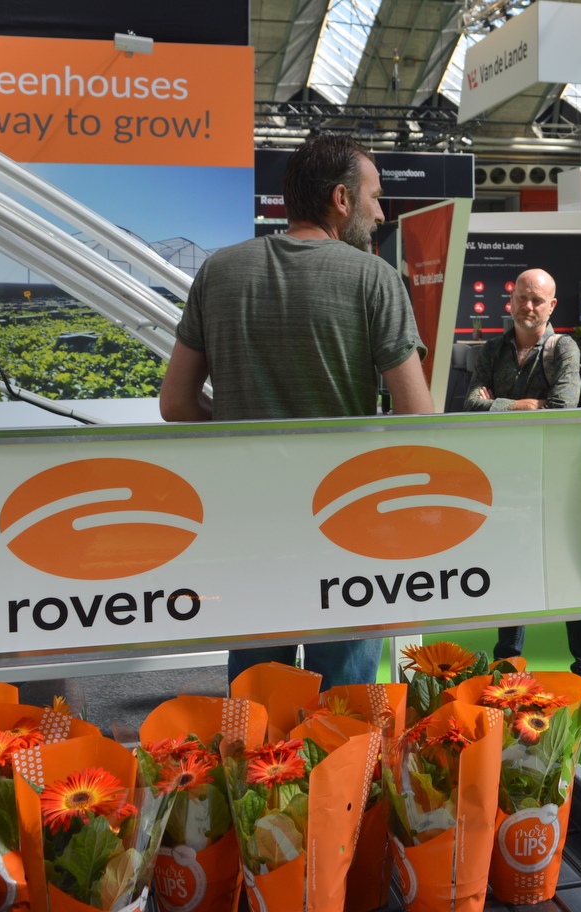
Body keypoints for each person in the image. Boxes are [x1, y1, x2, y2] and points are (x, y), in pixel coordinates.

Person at [160, 133, 433, 689]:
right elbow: (417, 417)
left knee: (259, 695)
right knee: (346, 701)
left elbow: (176, 403)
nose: (381, 214)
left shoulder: (219, 271)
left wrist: (241, 424)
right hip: (347, 518)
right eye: (376, 197)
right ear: (341, 199)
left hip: (248, 518)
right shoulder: (373, 277)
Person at [464, 268, 581, 674]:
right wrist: (523, 404)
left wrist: (497, 403)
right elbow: (470, 406)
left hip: (556, 482)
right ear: (511, 300)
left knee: (568, 570)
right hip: (504, 483)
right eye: (522, 297)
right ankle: (506, 667)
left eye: (537, 300)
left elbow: (562, 409)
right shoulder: (492, 350)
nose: (528, 306)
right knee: (508, 569)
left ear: (552, 306)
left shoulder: (563, 348)